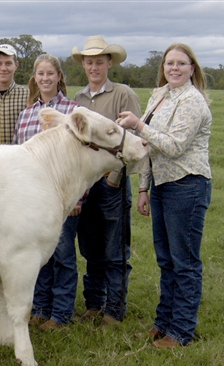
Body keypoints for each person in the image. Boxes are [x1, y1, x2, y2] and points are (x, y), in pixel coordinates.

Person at [117, 43, 212, 348]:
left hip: (187, 185)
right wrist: (144, 187)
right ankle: (163, 323)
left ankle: (181, 331)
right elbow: (149, 149)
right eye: (169, 63)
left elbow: (173, 146)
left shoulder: (192, 101)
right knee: (166, 260)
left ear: (192, 68)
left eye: (181, 63)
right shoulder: (160, 95)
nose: (174, 68)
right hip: (161, 184)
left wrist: (138, 125)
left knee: (184, 262)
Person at [70, 36, 142, 326]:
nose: (94, 67)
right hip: (86, 184)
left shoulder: (123, 94)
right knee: (90, 247)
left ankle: (114, 310)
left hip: (111, 183)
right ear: (84, 65)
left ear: (109, 63)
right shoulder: (78, 100)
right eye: (89, 62)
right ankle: (93, 304)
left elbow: (135, 143)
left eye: (100, 62)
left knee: (114, 249)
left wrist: (115, 178)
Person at [13, 54, 80, 331]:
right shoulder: (27, 113)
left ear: (59, 77)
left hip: (61, 196)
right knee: (36, 255)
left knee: (62, 255)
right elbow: (18, 156)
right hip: (31, 198)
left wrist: (76, 198)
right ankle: (40, 307)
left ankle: (61, 312)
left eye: (50, 73)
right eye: (40, 74)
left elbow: (79, 159)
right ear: (34, 77)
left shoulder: (73, 112)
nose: (45, 78)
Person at [0, 44, 29, 144]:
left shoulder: (28, 96)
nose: (3, 68)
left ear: (16, 65)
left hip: (19, 156)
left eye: (8, 63)